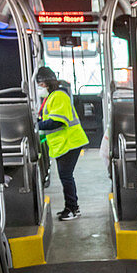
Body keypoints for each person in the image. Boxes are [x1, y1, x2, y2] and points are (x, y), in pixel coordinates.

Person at [35, 66, 89, 221]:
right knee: (66, 176)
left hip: (70, 142)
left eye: (41, 85)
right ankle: (72, 207)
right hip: (64, 143)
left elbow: (56, 122)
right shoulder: (52, 97)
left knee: (66, 176)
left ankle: (72, 208)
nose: (40, 88)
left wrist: (36, 126)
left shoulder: (58, 96)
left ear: (46, 83)